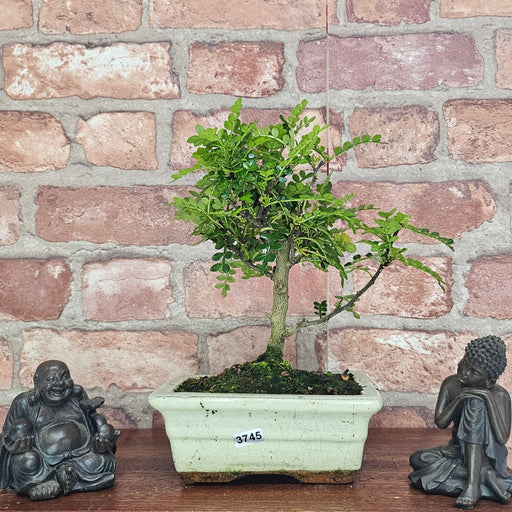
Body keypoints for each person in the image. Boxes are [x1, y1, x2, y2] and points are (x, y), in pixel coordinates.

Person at [409, 335, 512, 509]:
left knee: (475, 402)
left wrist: (487, 398)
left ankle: (473, 486)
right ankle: (481, 475)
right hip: (457, 451)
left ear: (488, 381)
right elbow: (441, 422)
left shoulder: (500, 395)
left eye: (474, 372)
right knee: (417, 459)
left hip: (488, 457)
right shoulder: (451, 383)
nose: (464, 372)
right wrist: (459, 399)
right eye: (464, 363)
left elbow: (502, 438)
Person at [0, 360, 119, 500]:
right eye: (52, 379)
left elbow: (95, 422)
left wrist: (103, 441)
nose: (60, 384)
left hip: (80, 457)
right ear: (37, 381)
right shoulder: (24, 403)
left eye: (65, 377)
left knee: (105, 460)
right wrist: (16, 443)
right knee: (26, 460)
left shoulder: (77, 395)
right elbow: (6, 437)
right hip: (43, 464)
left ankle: (68, 476)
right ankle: (42, 482)